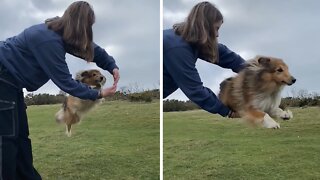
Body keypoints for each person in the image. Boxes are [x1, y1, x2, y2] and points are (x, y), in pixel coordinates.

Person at [0, 1, 119, 179]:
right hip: (3, 82)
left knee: (21, 139)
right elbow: (65, 81)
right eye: (87, 26)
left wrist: (111, 65)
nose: (88, 31)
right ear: (80, 25)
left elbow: (87, 47)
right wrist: (98, 93)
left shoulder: (60, 34)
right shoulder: (47, 40)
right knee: (6, 141)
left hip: (11, 84)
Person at [163, 1, 245, 118]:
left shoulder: (191, 40)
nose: (217, 34)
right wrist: (228, 111)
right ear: (204, 26)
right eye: (216, 28)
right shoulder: (177, 48)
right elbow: (195, 90)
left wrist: (253, 72)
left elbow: (226, 55)